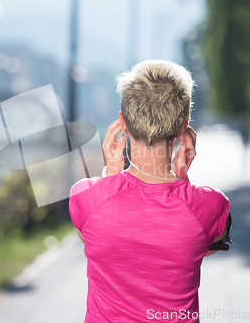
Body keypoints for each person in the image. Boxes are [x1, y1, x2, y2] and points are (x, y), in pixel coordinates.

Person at [69, 60, 231, 323]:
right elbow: (206, 245)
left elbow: (94, 241)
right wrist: (183, 180)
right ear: (184, 125)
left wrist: (110, 176)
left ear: (122, 123)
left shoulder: (85, 197)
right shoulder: (211, 205)